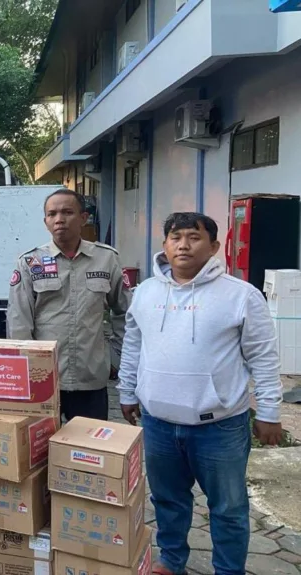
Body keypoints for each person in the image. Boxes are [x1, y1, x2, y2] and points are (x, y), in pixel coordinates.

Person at [118, 212, 283, 575]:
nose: (183, 245)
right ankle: (172, 560)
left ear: (214, 245)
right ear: (164, 245)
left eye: (194, 237)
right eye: (175, 237)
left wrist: (269, 412)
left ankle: (228, 570)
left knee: (228, 508)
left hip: (218, 427)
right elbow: (133, 345)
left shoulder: (240, 296)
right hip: (159, 423)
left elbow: (264, 356)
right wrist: (127, 391)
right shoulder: (145, 293)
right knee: (167, 501)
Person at [7, 189, 129, 421]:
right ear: (45, 222)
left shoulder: (107, 259)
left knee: (87, 450)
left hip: (90, 377)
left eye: (67, 212)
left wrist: (115, 357)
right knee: (39, 453)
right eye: (52, 214)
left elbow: (124, 312)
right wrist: (27, 372)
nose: (59, 219)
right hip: (43, 380)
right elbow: (19, 322)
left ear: (83, 218)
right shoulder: (31, 262)